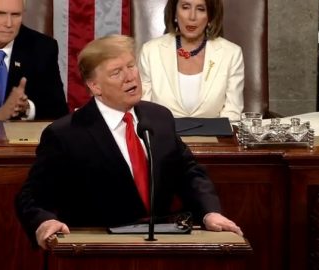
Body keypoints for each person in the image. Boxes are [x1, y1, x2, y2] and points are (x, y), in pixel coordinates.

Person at [15, 34, 242, 250]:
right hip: (99, 252)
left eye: (131, 66)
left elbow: (188, 172)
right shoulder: (66, 134)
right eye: (116, 72)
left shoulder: (159, 117)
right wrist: (43, 222)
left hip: (161, 247)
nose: (130, 77)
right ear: (95, 87)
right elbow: (31, 196)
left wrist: (209, 212)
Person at [138, 0, 244, 121]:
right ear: (175, 13)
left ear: (210, 16)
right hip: (163, 137)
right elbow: (144, 111)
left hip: (215, 138)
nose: (192, 16)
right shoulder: (150, 51)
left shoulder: (231, 54)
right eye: (185, 7)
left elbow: (232, 113)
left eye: (200, 9)